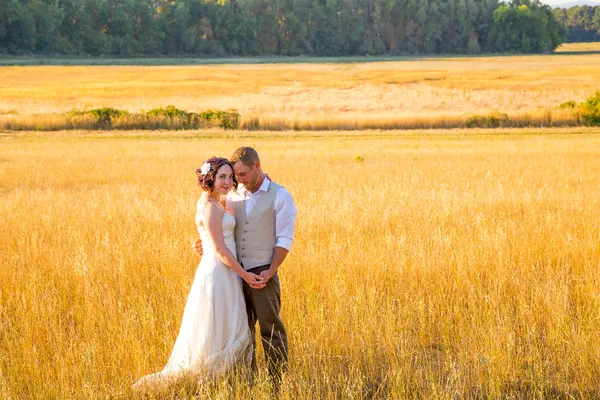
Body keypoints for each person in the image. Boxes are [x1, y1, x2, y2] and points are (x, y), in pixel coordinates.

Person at [132, 157, 265, 391]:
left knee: (228, 323)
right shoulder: (208, 204)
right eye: (221, 176)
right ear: (209, 178)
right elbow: (221, 249)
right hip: (218, 272)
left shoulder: (222, 201)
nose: (227, 181)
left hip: (229, 272)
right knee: (212, 325)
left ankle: (227, 380)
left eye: (230, 176)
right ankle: (206, 379)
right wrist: (245, 275)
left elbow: (224, 237)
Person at [195, 147, 297, 390]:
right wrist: (204, 244)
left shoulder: (280, 195)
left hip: (262, 271)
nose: (236, 180)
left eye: (241, 174)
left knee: (270, 328)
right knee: (241, 330)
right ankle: (247, 382)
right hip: (234, 273)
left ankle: (276, 385)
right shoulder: (233, 195)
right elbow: (218, 226)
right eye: (233, 176)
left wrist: (269, 272)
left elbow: (285, 239)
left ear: (257, 166)